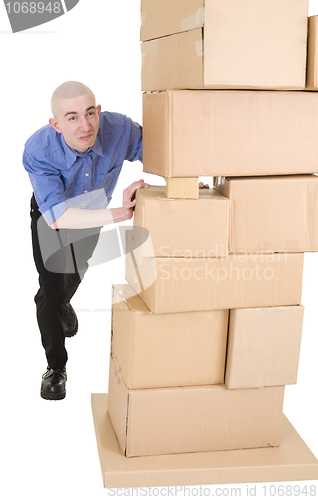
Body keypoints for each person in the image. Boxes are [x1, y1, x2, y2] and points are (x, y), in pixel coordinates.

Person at [23, 81, 149, 400]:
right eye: (72, 117)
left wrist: (189, 181)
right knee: (49, 292)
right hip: (52, 215)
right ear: (56, 124)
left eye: (90, 113)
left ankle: (62, 301)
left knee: (76, 273)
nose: (86, 125)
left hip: (93, 211)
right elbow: (59, 218)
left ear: (99, 111)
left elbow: (160, 149)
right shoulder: (39, 150)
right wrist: (120, 214)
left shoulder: (118, 128)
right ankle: (56, 368)